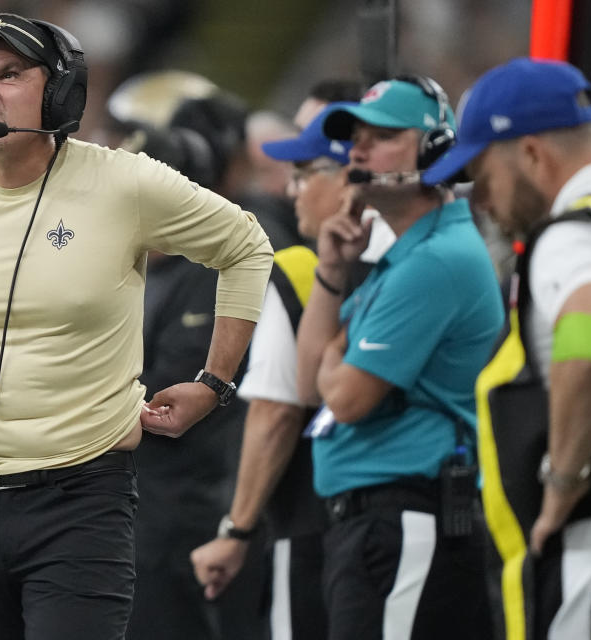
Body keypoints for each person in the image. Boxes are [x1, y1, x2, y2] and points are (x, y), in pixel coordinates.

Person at [0, 13, 272, 640]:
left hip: (80, 500)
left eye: (9, 74)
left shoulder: (123, 182)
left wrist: (215, 382)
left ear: (60, 93)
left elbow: (247, 247)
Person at [294, 76, 504, 639]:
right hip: (378, 523)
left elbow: (345, 397)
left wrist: (338, 354)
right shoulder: (405, 255)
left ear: (435, 150)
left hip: (403, 518)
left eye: (382, 135)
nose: (358, 150)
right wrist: (332, 270)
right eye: (356, 136)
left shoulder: (434, 261)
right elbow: (309, 386)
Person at [190, 102, 394, 640]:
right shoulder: (400, 260)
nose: (292, 189)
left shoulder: (298, 268)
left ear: (350, 176)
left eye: (306, 174)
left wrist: (237, 529)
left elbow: (279, 410)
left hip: (308, 521)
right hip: (383, 519)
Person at [422, 57, 591, 640]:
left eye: (484, 176)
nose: (486, 203)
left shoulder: (571, 236)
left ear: (530, 154)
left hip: (586, 549)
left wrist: (564, 480)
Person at [108, 73, 270, 640]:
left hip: (194, 520)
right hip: (139, 515)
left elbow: (172, 389)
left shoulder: (238, 257)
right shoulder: (142, 265)